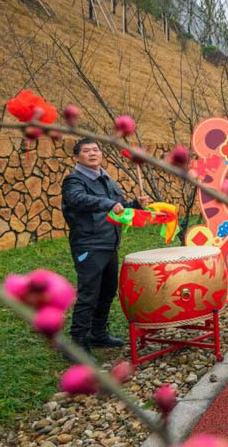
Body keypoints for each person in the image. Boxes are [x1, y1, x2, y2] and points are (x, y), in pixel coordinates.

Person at [61, 138, 150, 354]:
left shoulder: (106, 179)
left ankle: (98, 333)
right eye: (86, 151)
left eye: (96, 150)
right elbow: (77, 199)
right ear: (77, 156)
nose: (92, 154)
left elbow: (119, 210)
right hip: (88, 244)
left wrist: (135, 205)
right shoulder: (74, 180)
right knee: (89, 293)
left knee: (108, 290)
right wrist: (108, 203)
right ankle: (77, 341)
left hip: (109, 244)